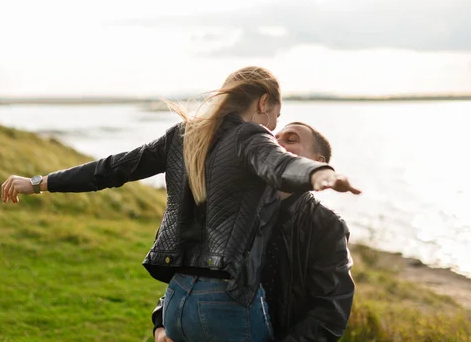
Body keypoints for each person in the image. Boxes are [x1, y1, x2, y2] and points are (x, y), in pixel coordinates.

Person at [0, 66, 361, 342]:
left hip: (181, 306)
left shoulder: (320, 224)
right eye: (274, 125)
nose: (273, 138)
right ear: (263, 103)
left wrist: (37, 183)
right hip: (206, 309)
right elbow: (115, 168)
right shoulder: (246, 146)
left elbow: (113, 169)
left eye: (289, 136)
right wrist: (321, 175)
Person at [151, 122, 355, 342]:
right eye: (272, 139)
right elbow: (193, 277)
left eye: (291, 139)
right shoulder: (230, 211)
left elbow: (330, 311)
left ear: (317, 163)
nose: (275, 145)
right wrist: (161, 325)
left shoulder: (326, 225)